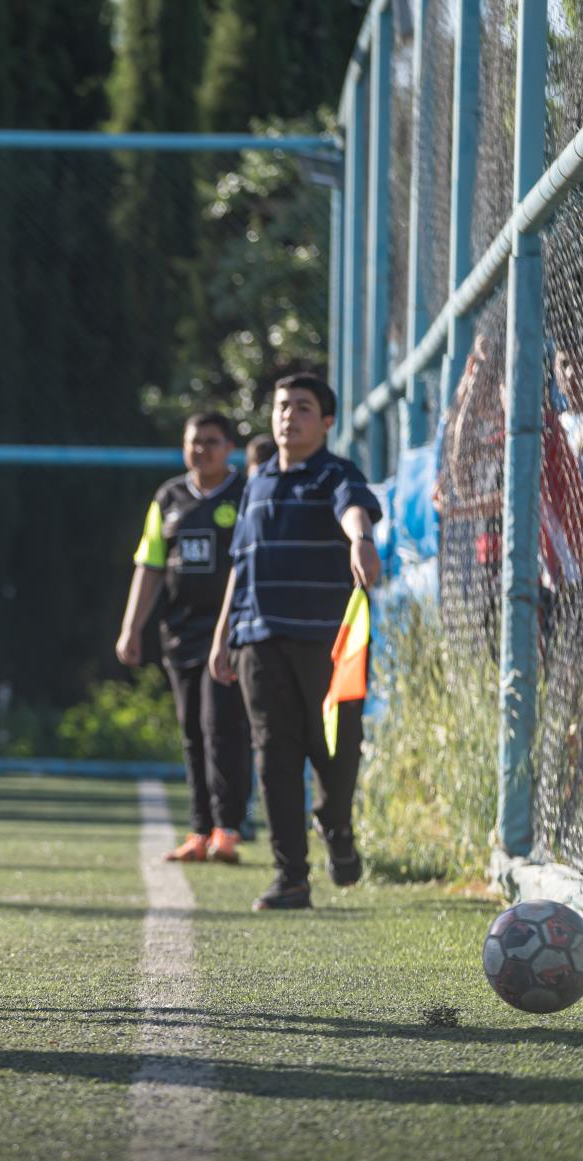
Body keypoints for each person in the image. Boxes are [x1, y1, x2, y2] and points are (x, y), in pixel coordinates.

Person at [209, 374, 382, 910]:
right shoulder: (256, 483)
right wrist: (223, 636)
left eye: (303, 408)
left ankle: (335, 824)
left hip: (328, 646)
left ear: (326, 422)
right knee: (274, 756)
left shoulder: (335, 473)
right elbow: (240, 564)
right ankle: (290, 878)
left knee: (337, 751)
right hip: (257, 639)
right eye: (283, 406)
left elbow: (354, 508)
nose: (289, 416)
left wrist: (361, 539)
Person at [115, 412, 250, 864]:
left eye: (211, 442)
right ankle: (199, 830)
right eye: (194, 441)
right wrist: (131, 627)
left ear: (229, 448)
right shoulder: (169, 497)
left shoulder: (244, 494)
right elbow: (150, 565)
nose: (201, 450)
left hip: (229, 636)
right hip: (180, 635)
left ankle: (228, 828)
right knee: (192, 731)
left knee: (221, 727)